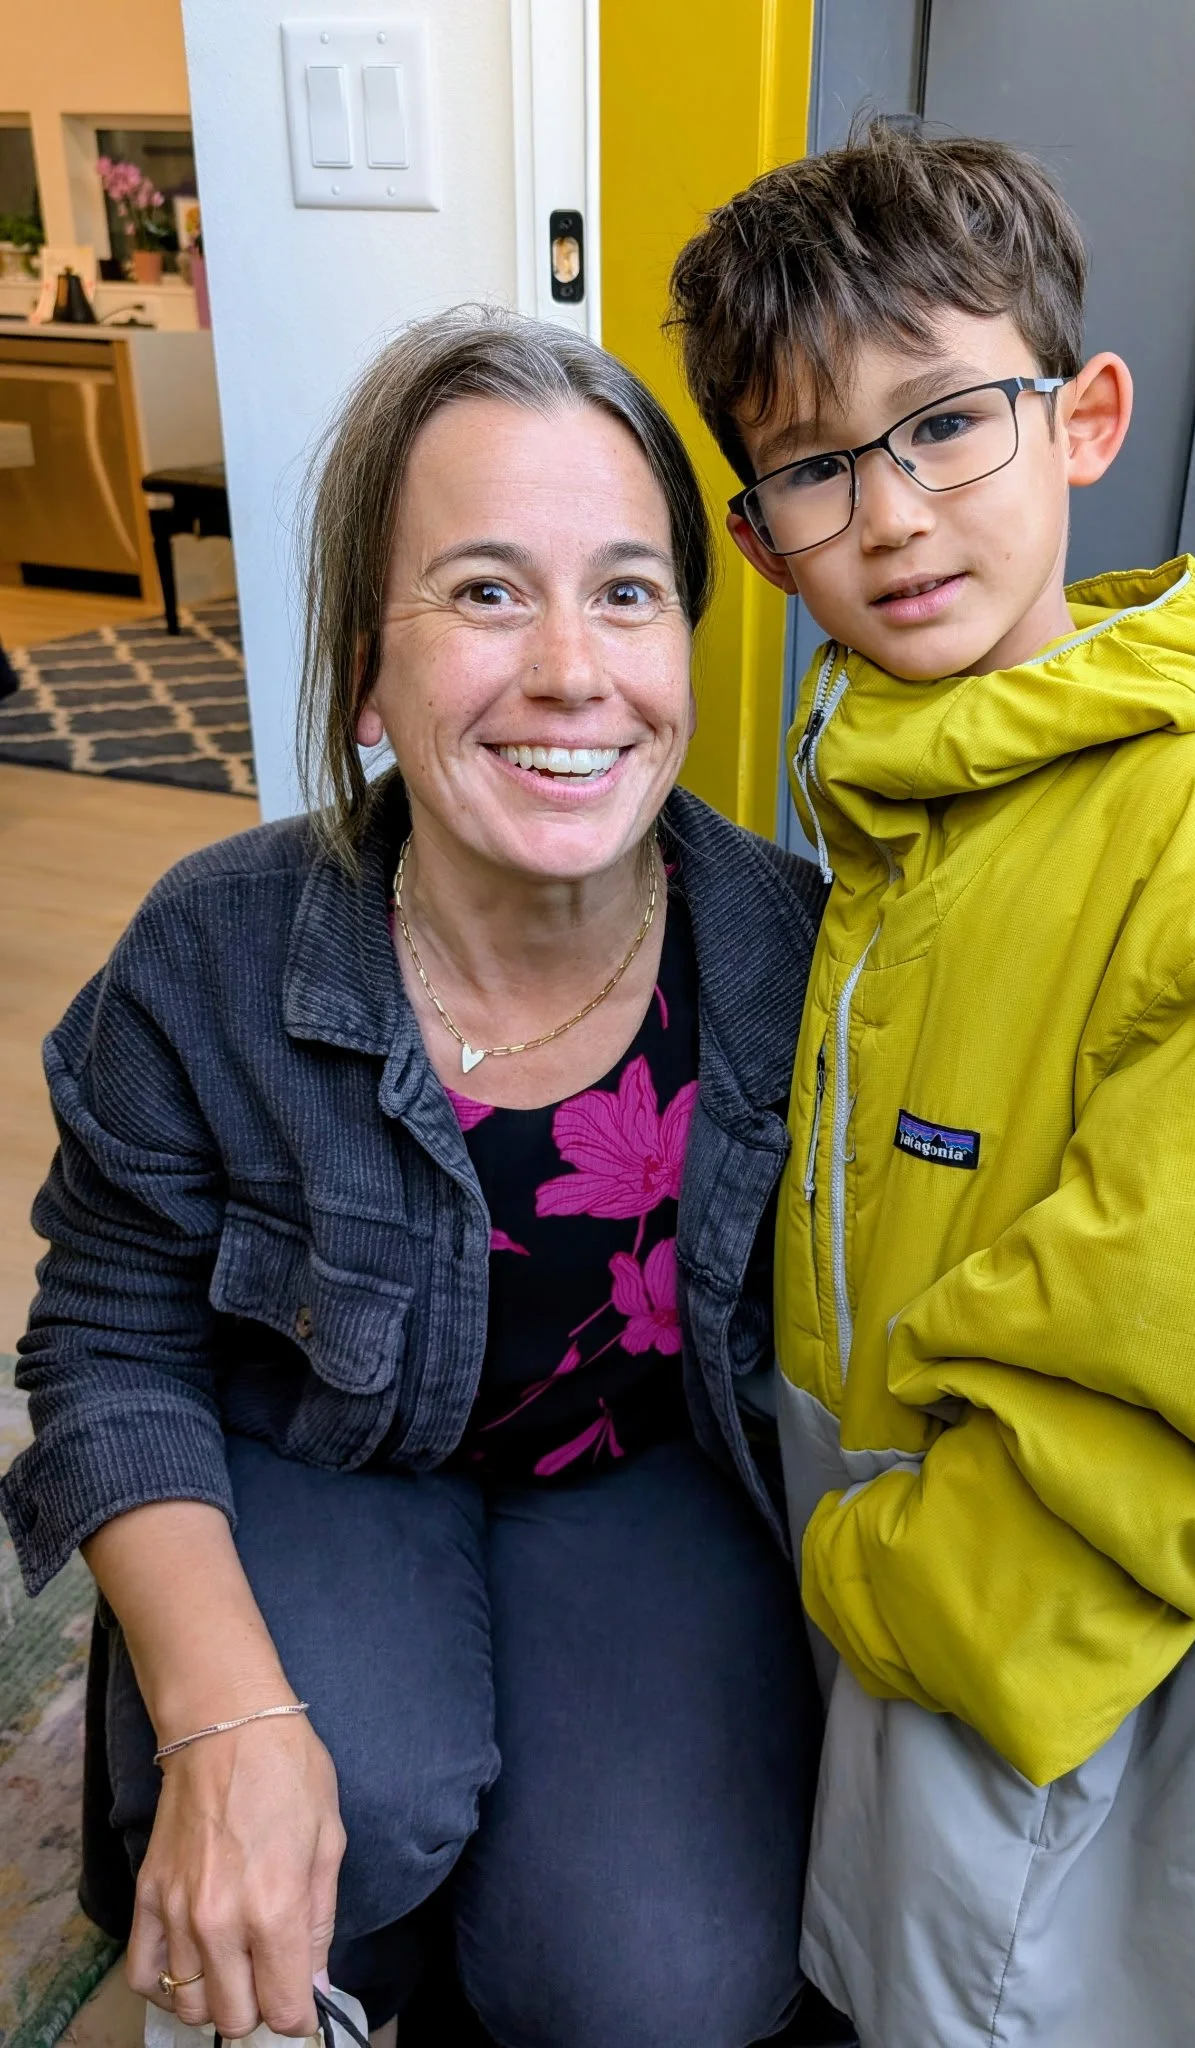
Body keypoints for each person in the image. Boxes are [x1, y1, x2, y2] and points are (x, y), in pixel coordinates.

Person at [0, 307, 830, 2048]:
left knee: (657, 1990)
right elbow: (104, 1336)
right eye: (481, 590)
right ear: (366, 673)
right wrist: (225, 1723)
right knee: (334, 1831)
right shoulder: (211, 954)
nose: (569, 671)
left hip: (640, 1473)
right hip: (326, 1447)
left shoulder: (789, 956)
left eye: (625, 591)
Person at [667, 121, 1195, 2048]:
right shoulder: (886, 761)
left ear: (1080, 417)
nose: (895, 516)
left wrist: (903, 1583)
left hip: (1035, 1614)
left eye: (943, 424)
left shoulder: (1185, 806)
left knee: (1028, 1993)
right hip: (904, 1569)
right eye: (816, 469)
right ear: (756, 540)